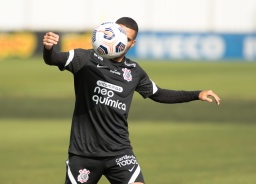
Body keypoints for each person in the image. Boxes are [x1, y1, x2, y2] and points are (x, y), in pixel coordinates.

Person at [43, 17, 220, 184]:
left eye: (126, 39)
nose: (120, 42)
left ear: (132, 43)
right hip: (84, 154)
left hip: (119, 152)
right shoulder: (85, 59)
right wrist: (49, 49)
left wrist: (197, 94)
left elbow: (159, 94)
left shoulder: (134, 71)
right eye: (118, 35)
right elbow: (53, 59)